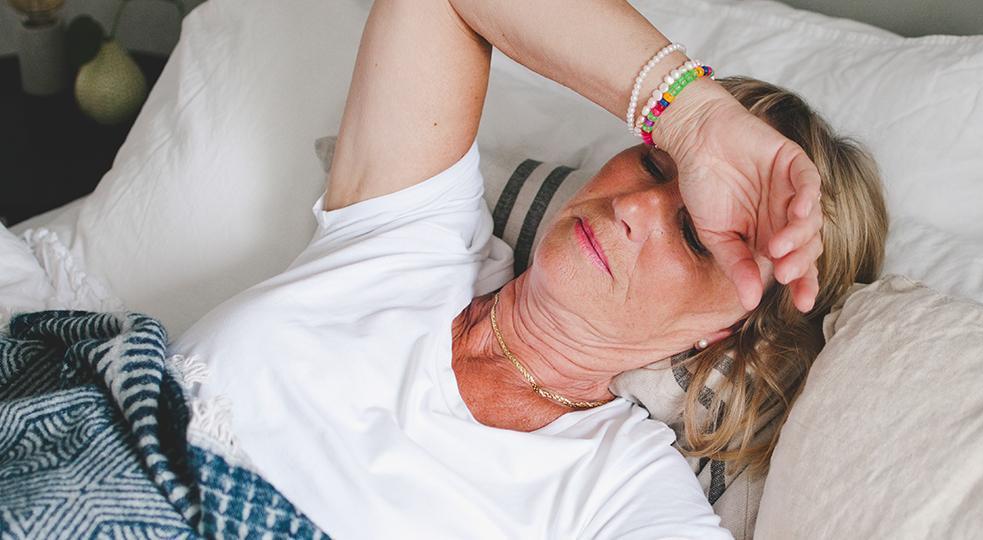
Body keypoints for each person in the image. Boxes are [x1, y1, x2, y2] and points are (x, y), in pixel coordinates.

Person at [169, 0, 886, 538]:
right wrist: (693, 118)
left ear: (729, 334)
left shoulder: (616, 496)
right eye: (651, 162)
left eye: (697, 235)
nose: (632, 206)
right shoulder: (412, 237)